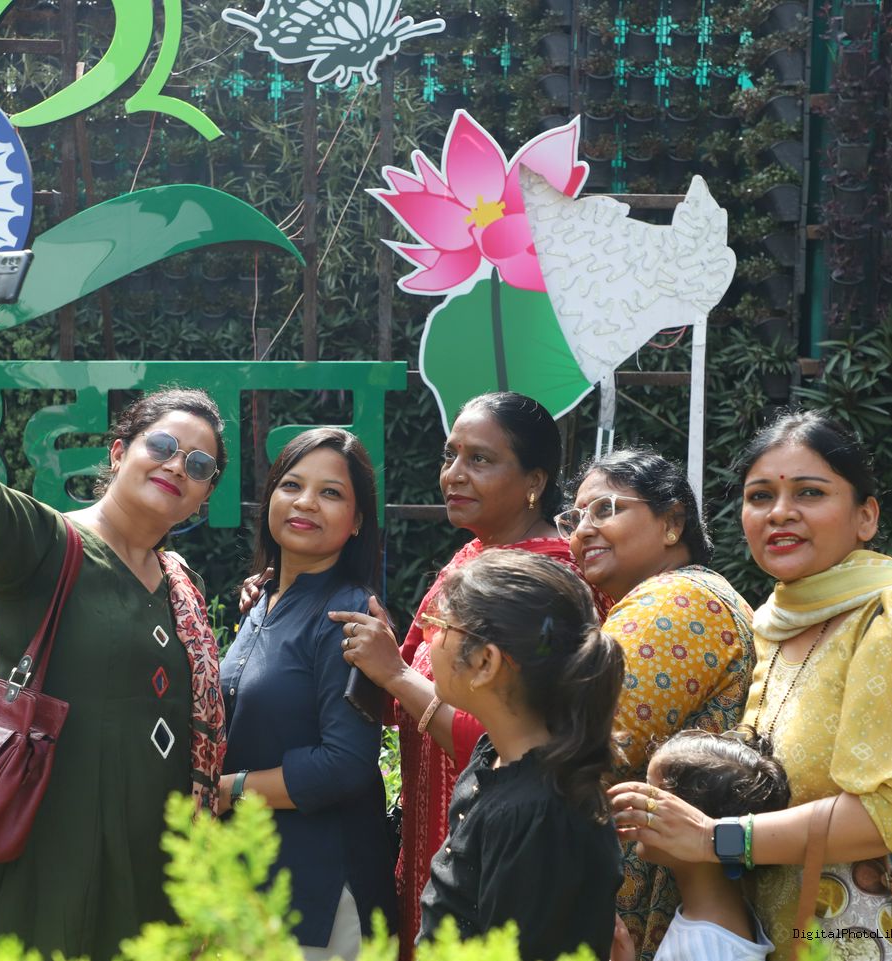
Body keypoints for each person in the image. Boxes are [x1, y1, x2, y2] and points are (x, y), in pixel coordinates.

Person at [0, 245, 228, 961]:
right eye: (163, 444)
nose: (178, 464)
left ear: (204, 495)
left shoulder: (184, 589)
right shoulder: (47, 543)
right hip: (41, 857)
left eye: (200, 464)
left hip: (153, 870)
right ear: (118, 452)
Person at [608, 411, 892, 959]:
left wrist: (715, 839)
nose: (780, 512)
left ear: (866, 516)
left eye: (810, 492)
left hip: (882, 938)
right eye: (760, 496)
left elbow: (887, 813)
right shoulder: (774, 625)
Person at [329, 391, 602, 959]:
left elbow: (509, 738)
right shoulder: (470, 559)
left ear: (534, 481)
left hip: (505, 836)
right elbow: (396, 691)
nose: (454, 473)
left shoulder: (546, 582)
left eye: (480, 459)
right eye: (450, 455)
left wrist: (396, 674)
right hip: (440, 826)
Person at [558, 449, 755, 959]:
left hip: (660, 905)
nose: (583, 530)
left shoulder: (676, 602)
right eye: (575, 518)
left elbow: (571, 745)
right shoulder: (674, 595)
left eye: (605, 509)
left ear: (671, 523)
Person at [216, 429, 397, 961]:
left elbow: (344, 764)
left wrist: (228, 791)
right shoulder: (263, 600)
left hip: (320, 892)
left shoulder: (349, 615)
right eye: (292, 485)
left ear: (357, 521)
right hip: (254, 876)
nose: (306, 503)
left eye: (331, 493)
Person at [416, 550, 624, 961]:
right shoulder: (493, 756)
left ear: (485, 662)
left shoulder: (538, 816)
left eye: (439, 625)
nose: (430, 638)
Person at [636, 729, 790, 961]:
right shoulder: (713, 925)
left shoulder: (706, 949)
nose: (636, 805)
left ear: (693, 820)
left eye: (652, 799)